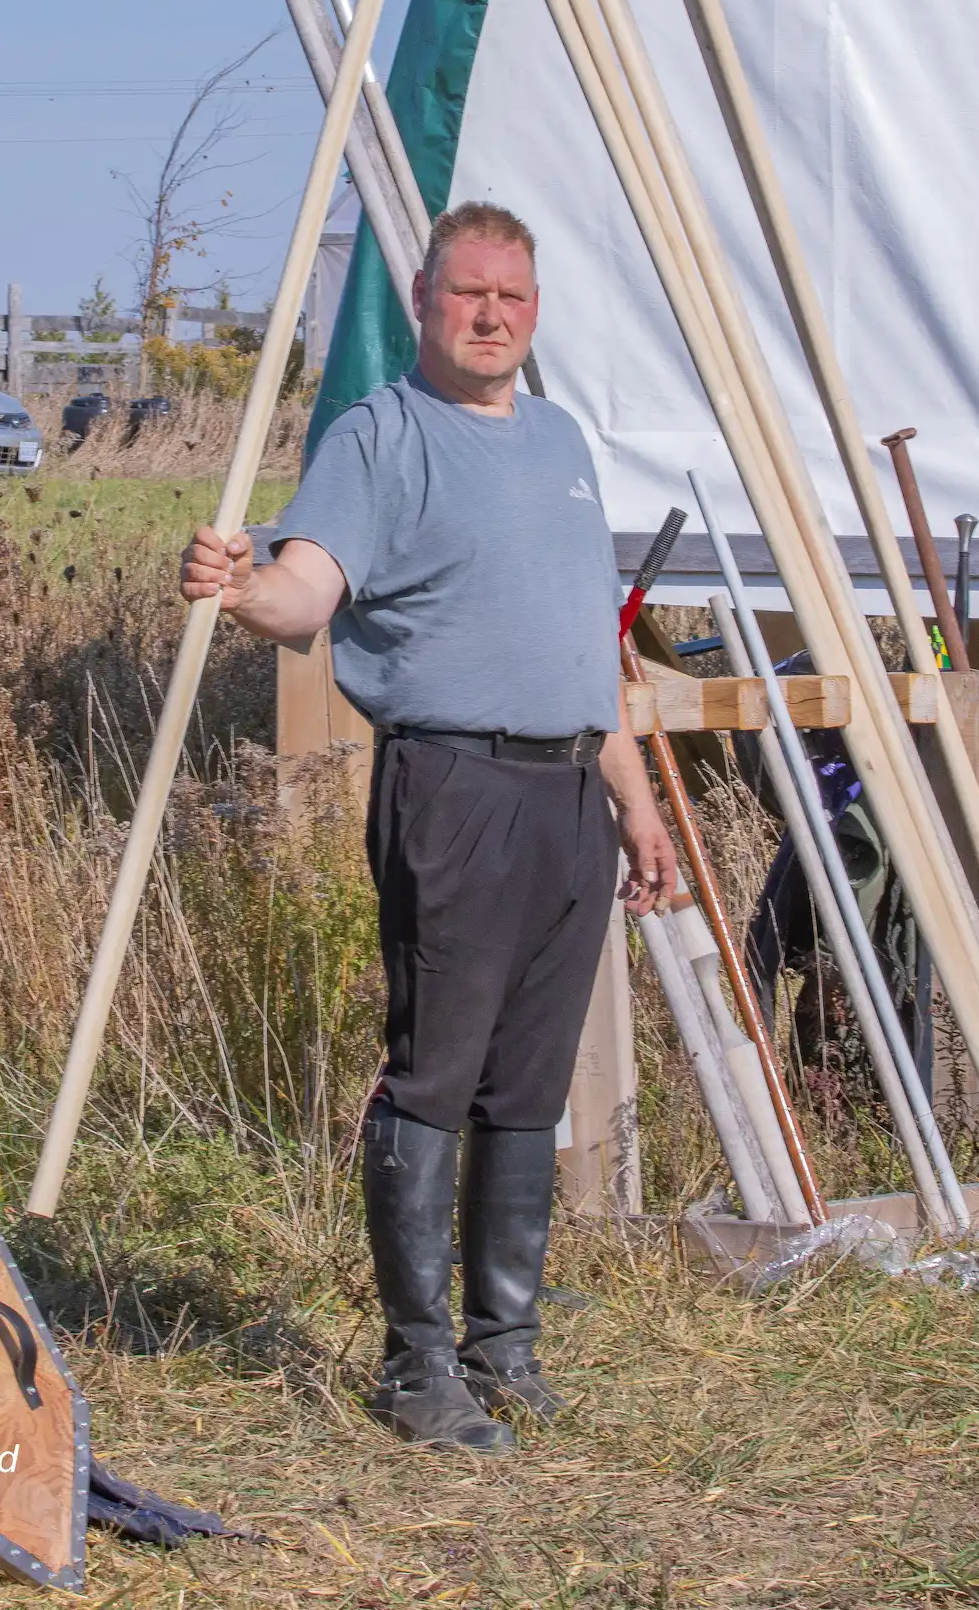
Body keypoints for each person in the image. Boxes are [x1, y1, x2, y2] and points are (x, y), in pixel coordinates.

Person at [181, 200, 678, 1453]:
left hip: (572, 794)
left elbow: (581, 651)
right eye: (468, 294)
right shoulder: (380, 436)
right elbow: (308, 593)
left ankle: (502, 1350)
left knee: (529, 1084)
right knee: (438, 1075)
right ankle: (417, 1372)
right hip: (455, 790)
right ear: (424, 300)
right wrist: (242, 585)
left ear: (535, 308)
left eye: (512, 296)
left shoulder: (560, 440)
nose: (491, 315)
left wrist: (636, 803)